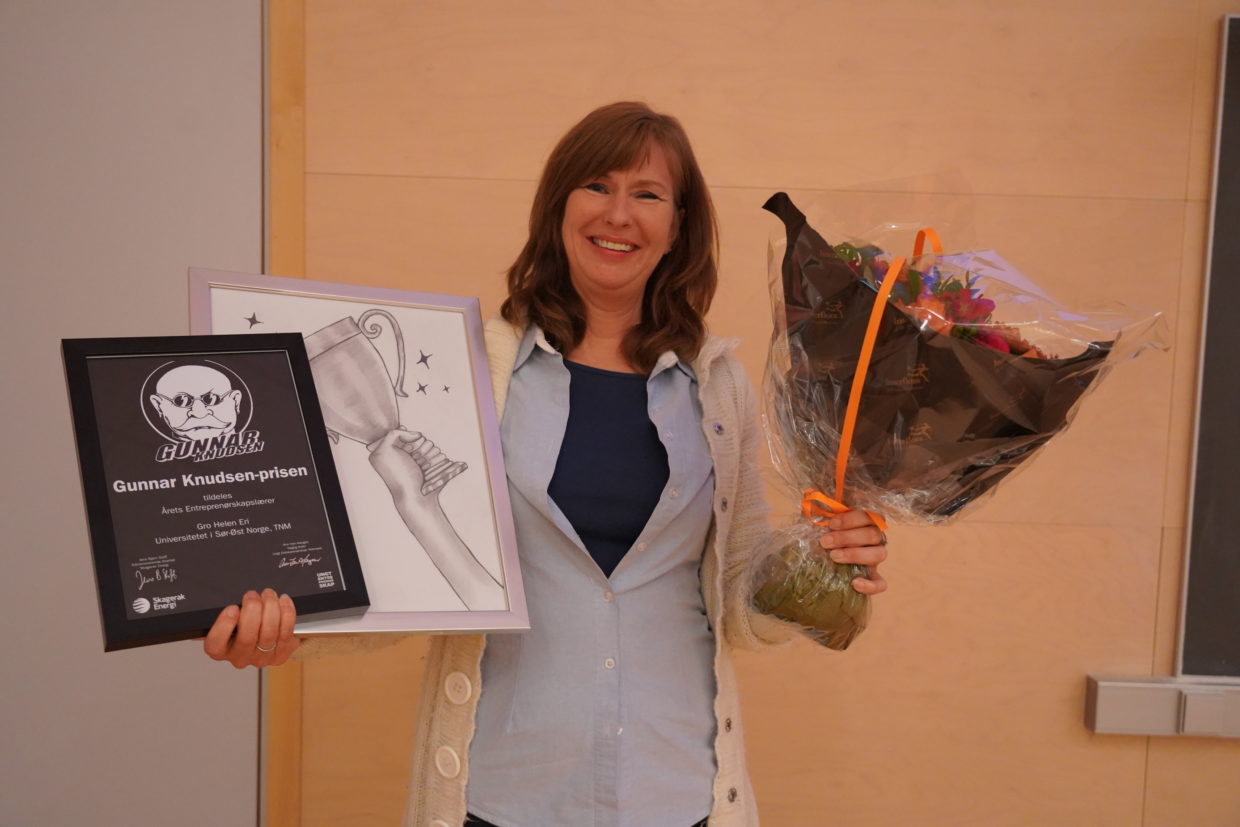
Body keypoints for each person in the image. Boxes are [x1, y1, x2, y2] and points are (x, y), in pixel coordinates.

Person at [204, 101, 889, 827]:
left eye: (648, 194)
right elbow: (414, 575)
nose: (618, 214)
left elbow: (742, 609)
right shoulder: (477, 368)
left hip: (679, 792)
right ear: (559, 205)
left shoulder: (719, 387)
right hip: (503, 795)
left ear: (678, 226)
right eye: (597, 185)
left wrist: (825, 563)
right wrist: (288, 626)